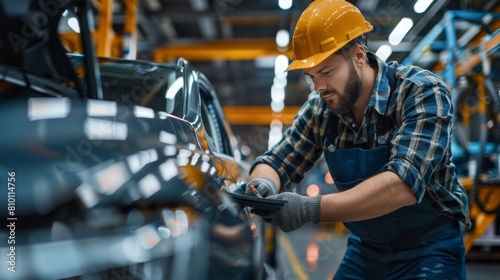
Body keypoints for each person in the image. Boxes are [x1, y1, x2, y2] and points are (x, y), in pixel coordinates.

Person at [244, 1, 470, 279]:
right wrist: (263, 184)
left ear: (359, 56)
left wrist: (308, 209)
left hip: (428, 248)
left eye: (326, 72)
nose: (318, 87)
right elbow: (277, 161)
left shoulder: (420, 91)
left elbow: (401, 185)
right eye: (311, 76)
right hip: (367, 249)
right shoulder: (320, 110)